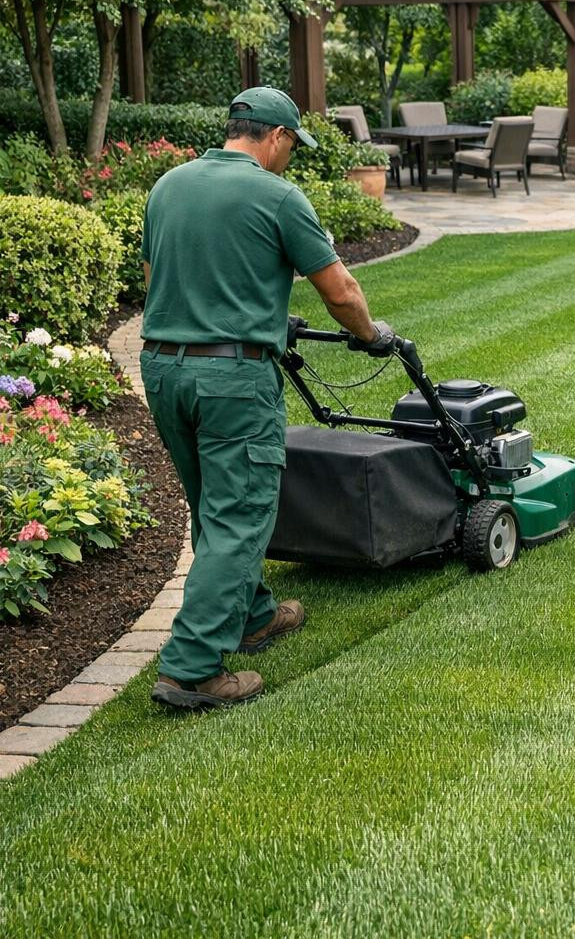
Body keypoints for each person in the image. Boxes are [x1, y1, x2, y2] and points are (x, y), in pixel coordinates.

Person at [139, 86, 396, 710]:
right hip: (231, 379)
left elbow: (157, 279)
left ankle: (253, 614)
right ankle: (193, 668)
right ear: (276, 137)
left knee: (212, 501)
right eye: (292, 147)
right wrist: (371, 335)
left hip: (163, 368)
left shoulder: (168, 186)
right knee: (239, 513)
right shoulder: (277, 195)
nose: (290, 159)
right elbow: (339, 291)